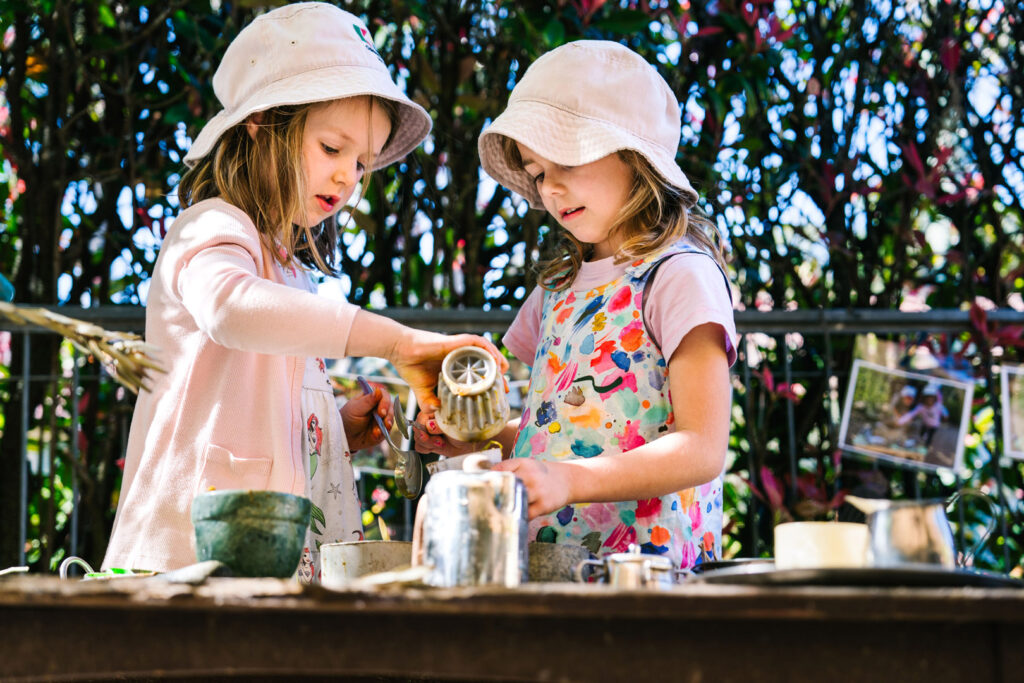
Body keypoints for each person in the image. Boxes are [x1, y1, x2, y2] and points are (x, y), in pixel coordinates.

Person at [102, 3, 506, 577]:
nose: (348, 177)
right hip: (192, 558)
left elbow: (257, 408)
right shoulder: (211, 227)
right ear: (262, 123)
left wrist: (330, 429)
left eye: (363, 164)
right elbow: (231, 309)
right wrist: (395, 342)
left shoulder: (291, 270)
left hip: (273, 560)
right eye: (332, 149)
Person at [416, 41, 737, 569]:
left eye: (566, 159)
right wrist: (475, 431)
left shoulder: (679, 275)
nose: (551, 188)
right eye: (538, 173)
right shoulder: (557, 289)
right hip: (550, 569)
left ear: (636, 156)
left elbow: (702, 447)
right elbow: (558, 434)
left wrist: (571, 479)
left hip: (646, 582)